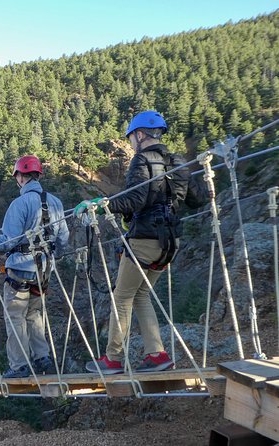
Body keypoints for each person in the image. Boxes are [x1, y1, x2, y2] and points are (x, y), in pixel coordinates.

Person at [76, 110, 206, 374]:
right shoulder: (178, 162)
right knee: (141, 294)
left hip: (145, 240)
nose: (131, 142)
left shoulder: (142, 160)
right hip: (170, 243)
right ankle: (156, 354)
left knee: (122, 297)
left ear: (139, 134)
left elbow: (135, 200)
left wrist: (101, 207)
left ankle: (112, 359)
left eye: (132, 137)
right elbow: (197, 200)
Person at [0, 155, 69, 379]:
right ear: (37, 175)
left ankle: (19, 365)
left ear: (21, 177)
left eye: (17, 177)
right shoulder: (56, 203)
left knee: (16, 316)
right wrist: (54, 257)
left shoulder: (19, 204)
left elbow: (8, 240)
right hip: (44, 271)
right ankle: (42, 357)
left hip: (20, 269)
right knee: (34, 314)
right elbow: (63, 238)